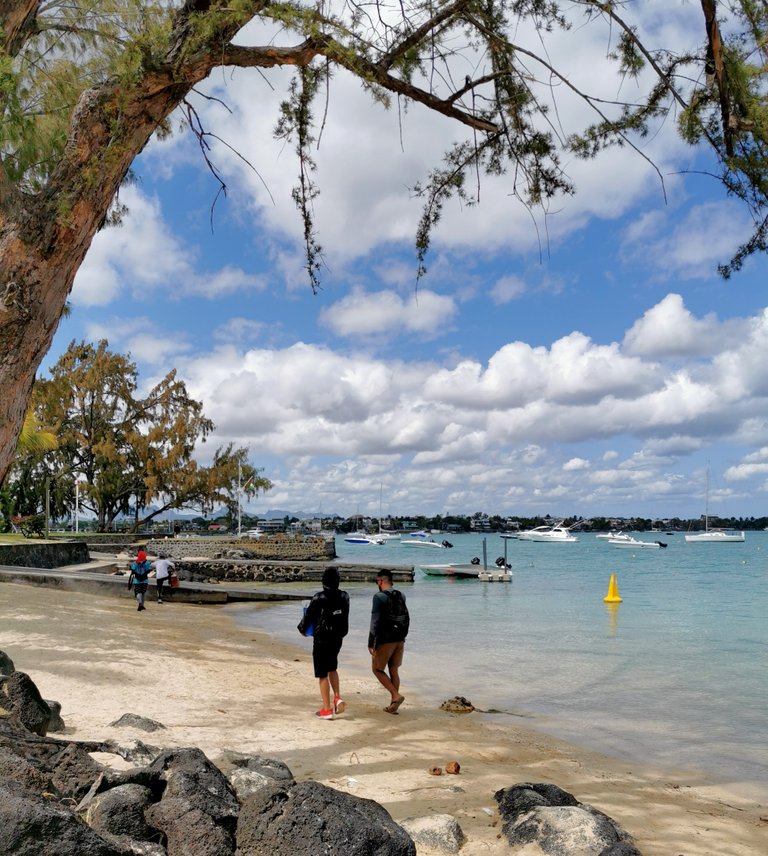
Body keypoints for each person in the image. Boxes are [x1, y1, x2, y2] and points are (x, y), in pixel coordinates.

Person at [298, 566, 350, 720]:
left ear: (324, 581)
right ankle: (337, 697)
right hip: (338, 637)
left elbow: (309, 618)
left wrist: (302, 629)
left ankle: (327, 710)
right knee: (332, 667)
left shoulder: (319, 597)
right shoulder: (345, 596)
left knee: (322, 674)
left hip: (322, 638)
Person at [368, 570, 409, 714]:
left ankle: (396, 695)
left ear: (380, 581)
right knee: (394, 670)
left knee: (377, 669)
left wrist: (371, 642)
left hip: (386, 639)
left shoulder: (379, 597)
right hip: (400, 638)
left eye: (376, 582)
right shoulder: (401, 595)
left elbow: (375, 621)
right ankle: (393, 704)